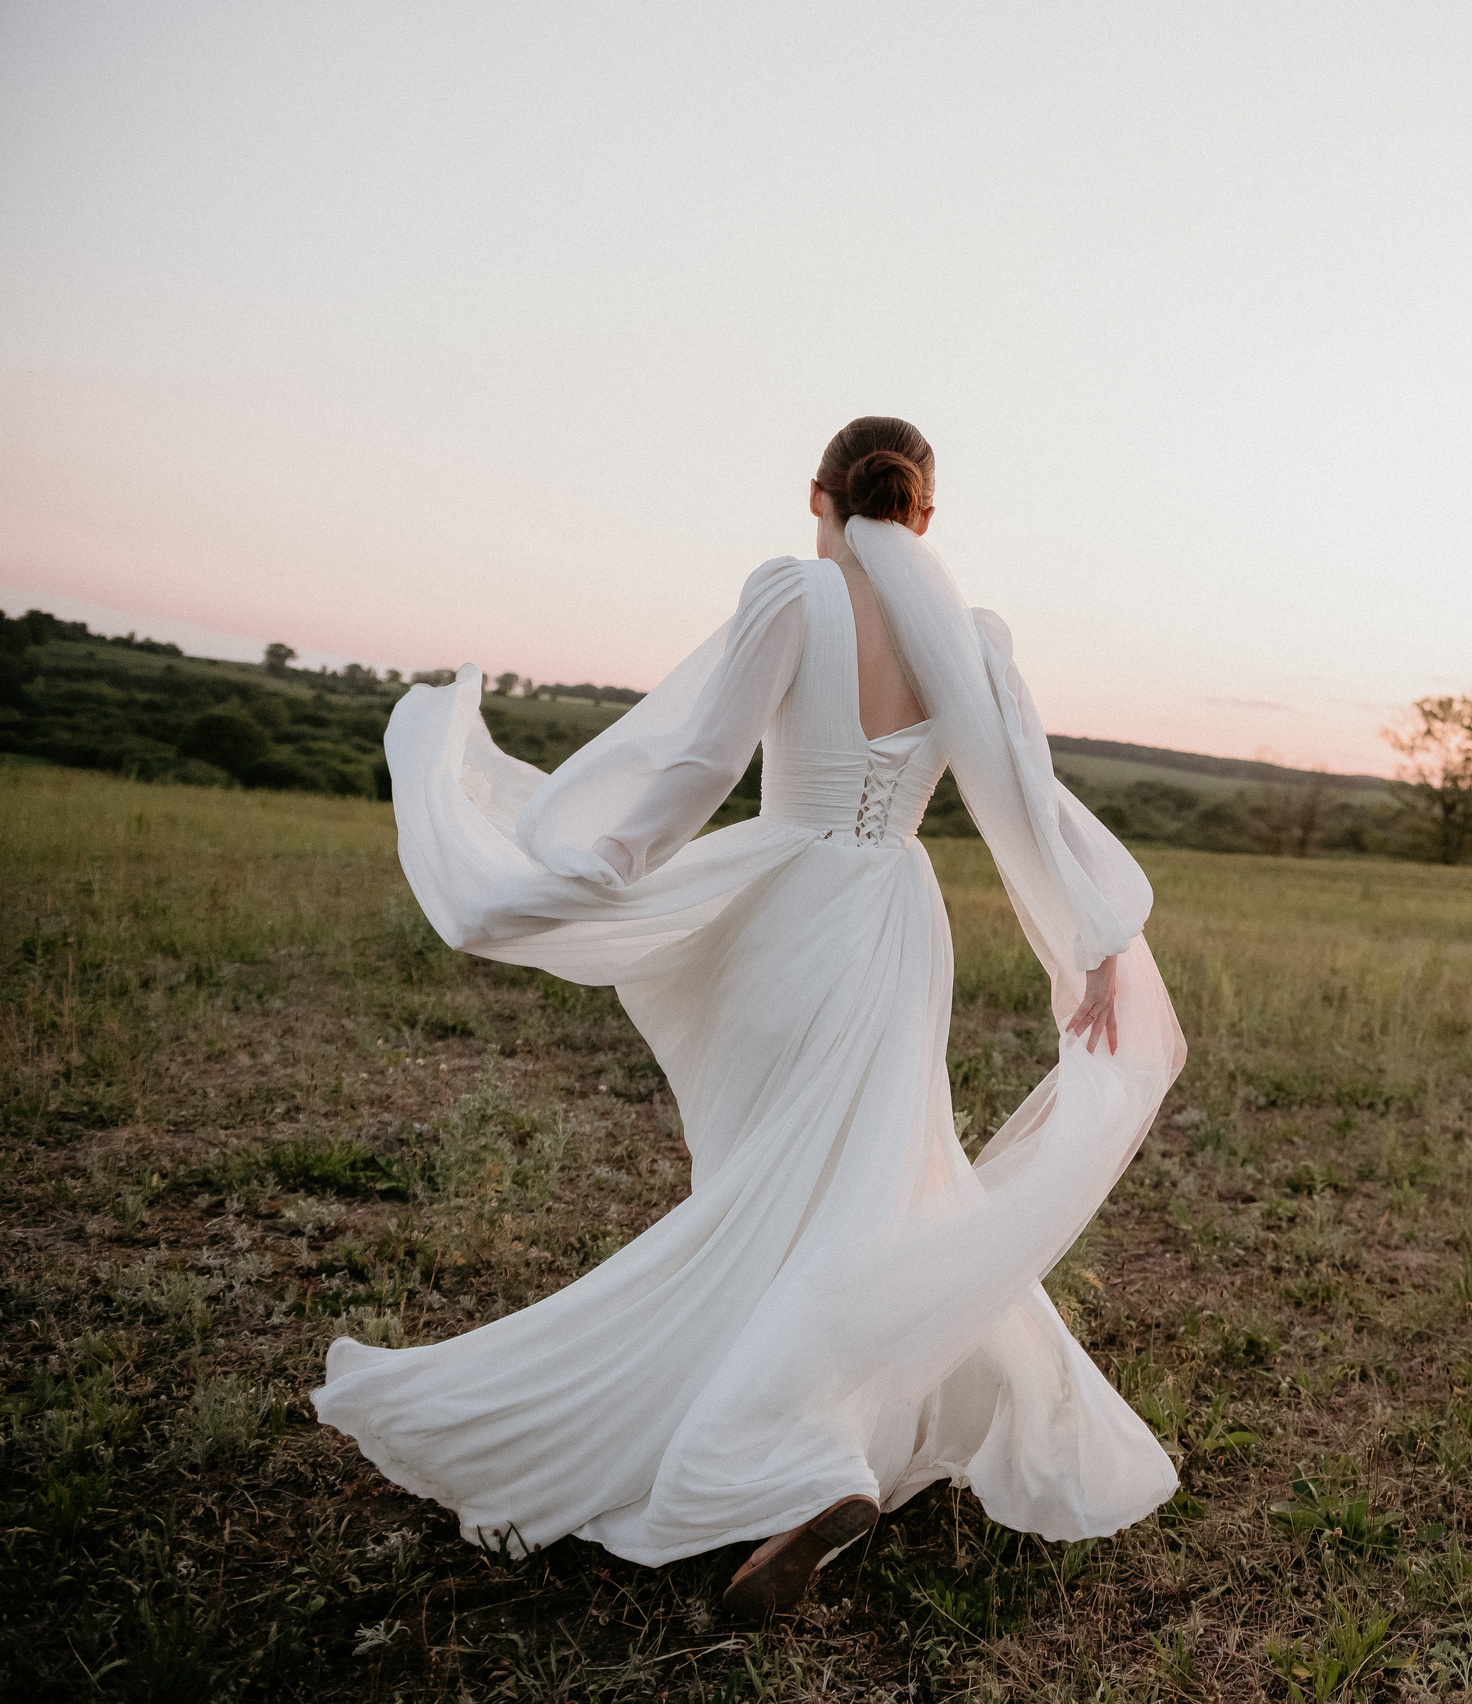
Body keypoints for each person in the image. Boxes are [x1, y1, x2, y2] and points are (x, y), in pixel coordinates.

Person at [312, 416, 1186, 1617]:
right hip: (893, 922)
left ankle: (789, 1460)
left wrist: (596, 865)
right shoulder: (976, 644)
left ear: (816, 495)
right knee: (877, 1182)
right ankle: (803, 1443)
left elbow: (695, 765)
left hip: (784, 912)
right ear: (926, 517)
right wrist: (1091, 947)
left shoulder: (796, 596)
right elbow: (1026, 805)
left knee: (760, 1182)